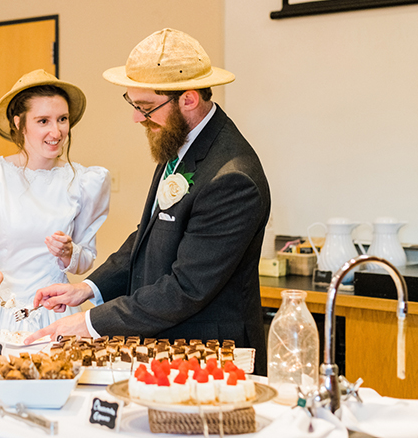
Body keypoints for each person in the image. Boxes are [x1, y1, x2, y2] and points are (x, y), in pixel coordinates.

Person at [26, 29, 271, 374]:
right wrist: (90, 288)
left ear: (188, 99)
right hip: (170, 344)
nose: (137, 118)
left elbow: (186, 288)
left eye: (146, 107)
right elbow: (149, 237)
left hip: (212, 357)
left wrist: (91, 323)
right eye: (134, 105)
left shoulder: (232, 178)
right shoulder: (180, 142)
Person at [0, 69, 111, 333]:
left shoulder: (84, 182)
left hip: (55, 310)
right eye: (43, 121)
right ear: (19, 124)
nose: (56, 131)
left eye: (62, 119)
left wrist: (69, 253)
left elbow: (86, 261)